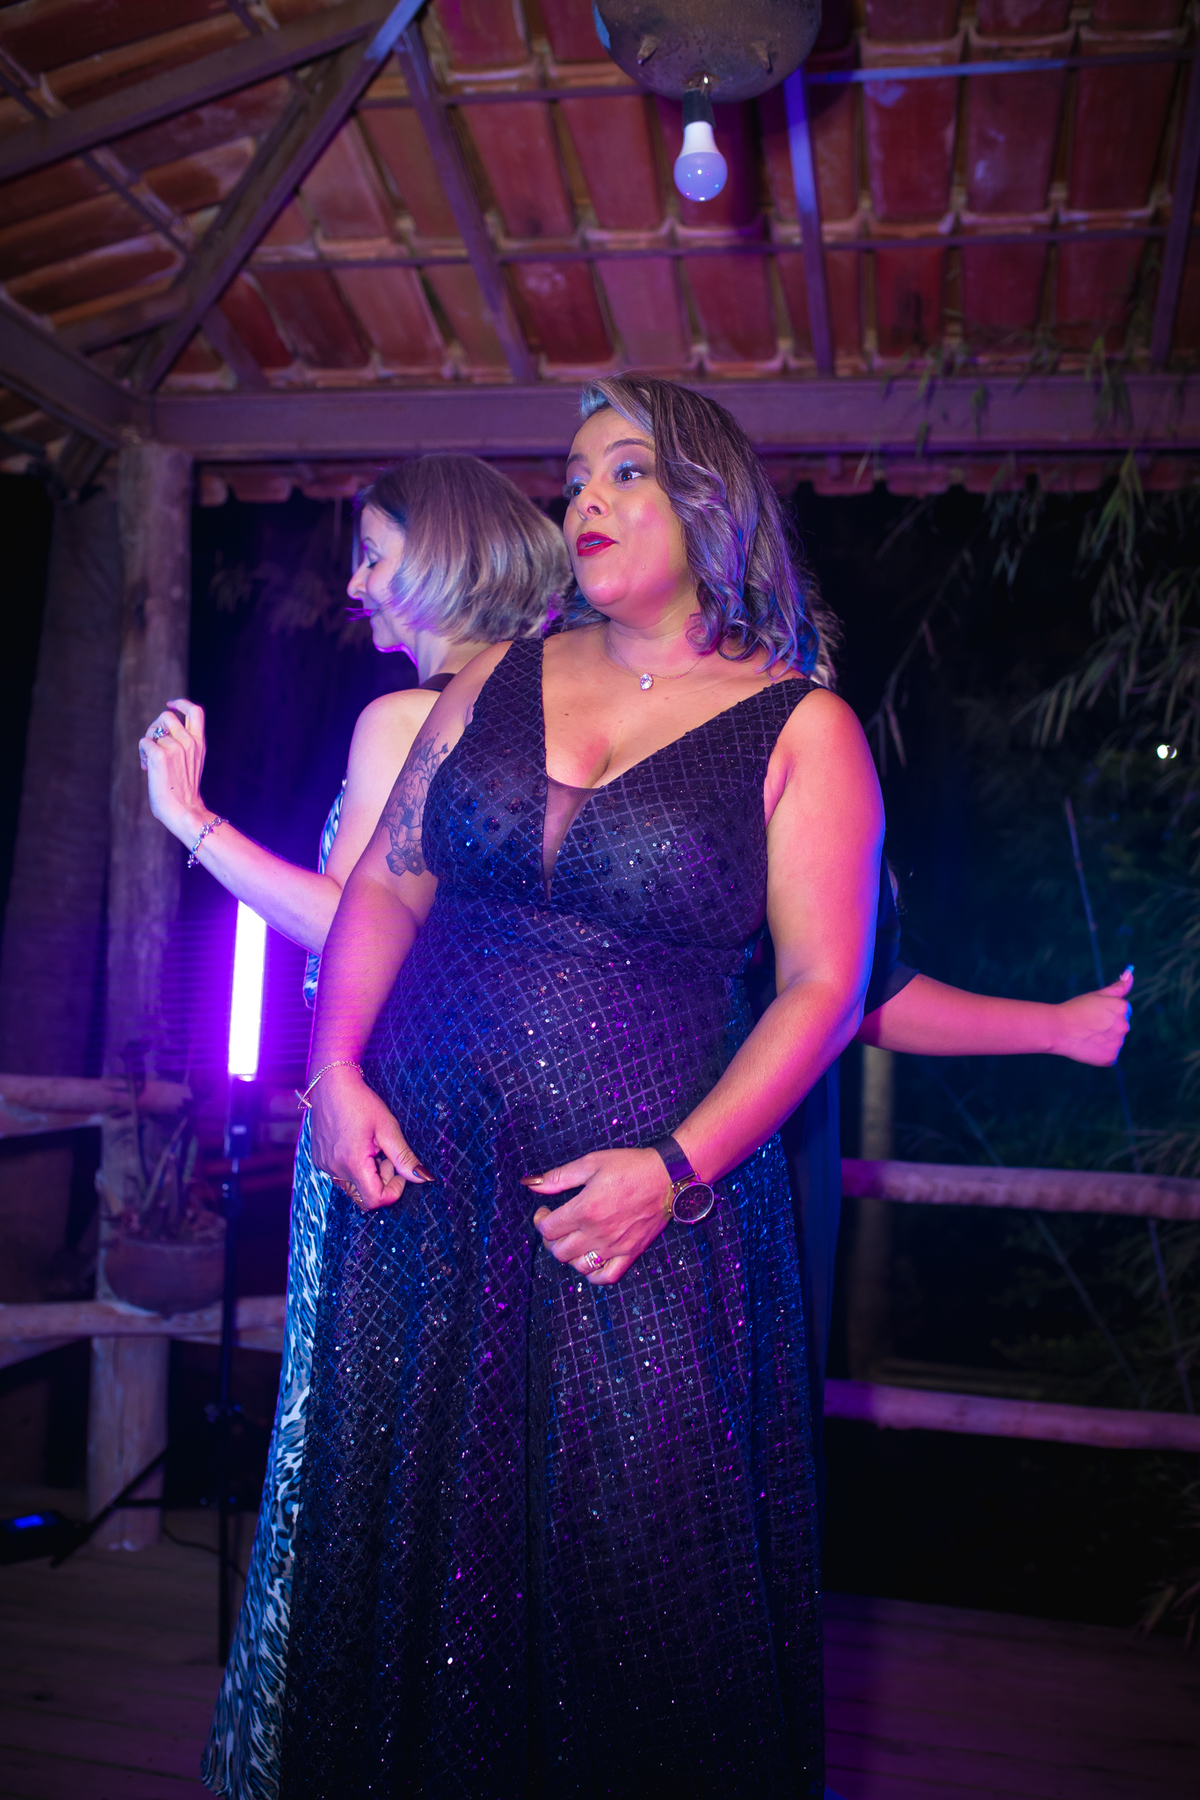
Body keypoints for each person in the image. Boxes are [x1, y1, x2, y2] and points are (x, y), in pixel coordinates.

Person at [146, 437, 1133, 1797]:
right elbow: (385, 888)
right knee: (424, 1551)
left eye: (627, 471)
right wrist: (339, 1069)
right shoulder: (491, 688)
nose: (587, 499)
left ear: (713, 507)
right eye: (577, 475)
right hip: (434, 1189)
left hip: (666, 1198)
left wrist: (682, 1166)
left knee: (647, 1565)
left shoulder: (798, 733)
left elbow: (846, 987)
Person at [140, 456, 570, 1800]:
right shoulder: (557, 711)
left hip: (383, 1106)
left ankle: (344, 1748)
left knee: (363, 1443)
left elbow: (354, 919)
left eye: (377, 555)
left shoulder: (411, 717)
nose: (356, 583)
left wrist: (192, 824)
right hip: (491, 1113)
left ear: (444, 559)